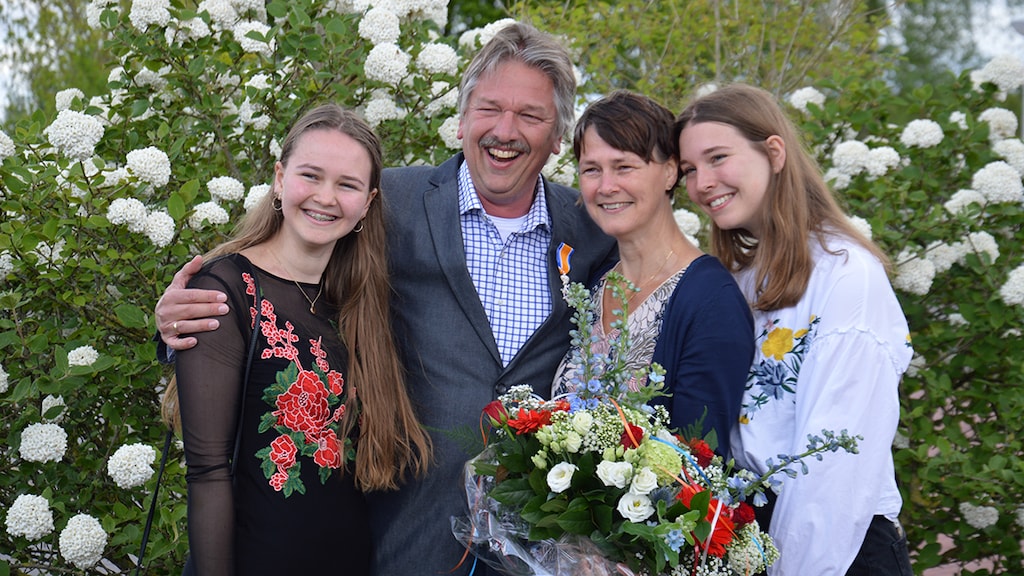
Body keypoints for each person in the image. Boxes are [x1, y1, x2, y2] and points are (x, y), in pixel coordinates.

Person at [154, 23, 617, 575]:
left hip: (529, 547)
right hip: (395, 533)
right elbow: (281, 285)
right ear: (463, 118)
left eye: (531, 116)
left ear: (558, 135)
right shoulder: (383, 199)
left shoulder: (594, 231)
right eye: (490, 108)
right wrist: (181, 324)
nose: (505, 131)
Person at [167, 103, 431, 575]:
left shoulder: (357, 303)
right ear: (279, 178)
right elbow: (206, 475)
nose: (326, 197)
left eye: (347, 184)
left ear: (367, 204)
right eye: (311, 175)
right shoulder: (225, 291)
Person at [676, 83, 914, 575]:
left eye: (718, 157)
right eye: (689, 170)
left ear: (774, 152)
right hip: (759, 538)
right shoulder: (740, 280)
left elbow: (833, 467)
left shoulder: (846, 275)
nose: (703, 183)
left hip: (836, 548)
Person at [551, 90, 753, 456]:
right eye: (591, 170)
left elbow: (702, 466)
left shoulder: (710, 299)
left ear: (670, 171)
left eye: (624, 166)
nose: (606, 186)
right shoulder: (592, 286)